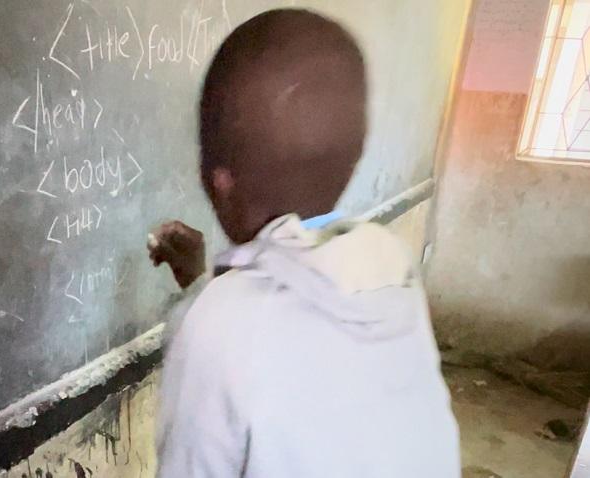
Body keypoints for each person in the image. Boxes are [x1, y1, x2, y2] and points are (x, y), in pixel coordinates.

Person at [147, 8, 460, 478]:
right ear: (353, 159)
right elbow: (293, 339)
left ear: (218, 180)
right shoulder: (391, 271)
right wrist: (203, 286)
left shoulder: (217, 330)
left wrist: (204, 302)